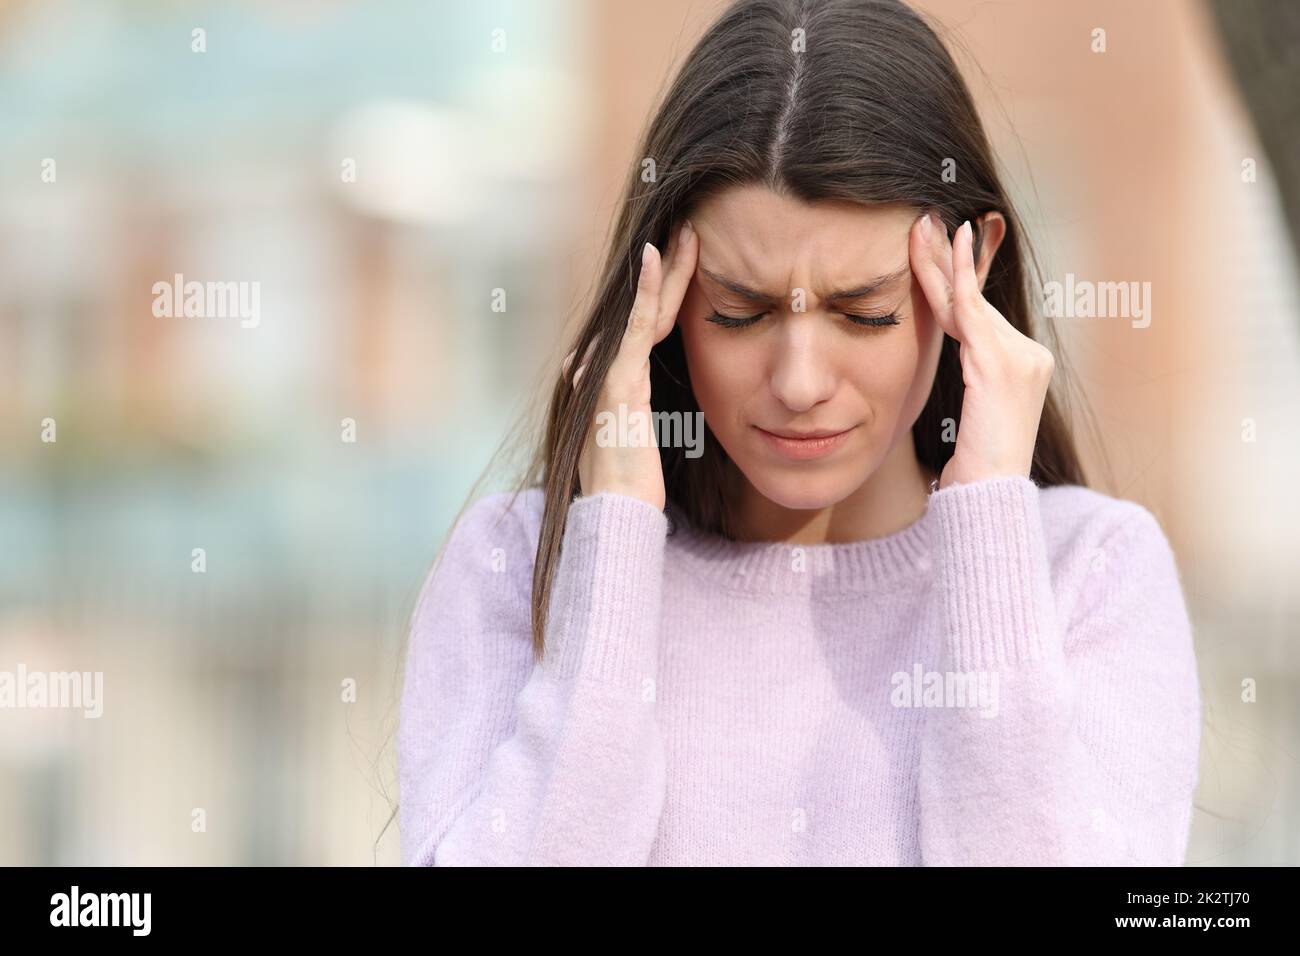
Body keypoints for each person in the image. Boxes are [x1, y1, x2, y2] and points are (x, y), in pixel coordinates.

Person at [398, 0, 1201, 866]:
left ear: (970, 269)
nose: (799, 382)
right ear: (660, 287)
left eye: (865, 314)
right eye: (739, 313)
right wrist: (616, 543)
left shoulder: (1092, 573)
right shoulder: (520, 567)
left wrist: (989, 527)